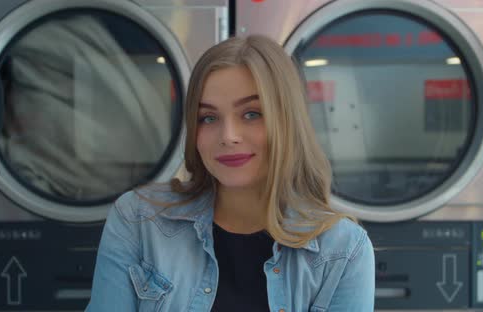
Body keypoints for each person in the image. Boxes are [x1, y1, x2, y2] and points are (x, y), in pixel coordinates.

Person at [86, 35, 375, 311]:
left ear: (287, 122)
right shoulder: (138, 219)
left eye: (251, 114)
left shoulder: (343, 250)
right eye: (208, 118)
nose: (228, 136)